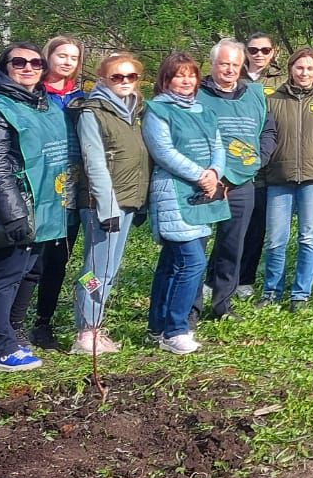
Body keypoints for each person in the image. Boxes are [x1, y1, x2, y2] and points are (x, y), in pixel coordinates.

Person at [0, 42, 70, 371]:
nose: (28, 68)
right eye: (18, 62)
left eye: (35, 63)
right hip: (15, 206)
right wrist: (13, 215)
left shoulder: (45, 104)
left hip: (46, 206)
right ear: (4, 67)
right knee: (5, 275)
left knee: (29, 273)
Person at [144, 51, 229, 353]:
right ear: (166, 79)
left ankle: (157, 326)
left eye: (190, 74)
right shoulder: (157, 110)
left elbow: (219, 145)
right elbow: (163, 152)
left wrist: (215, 172)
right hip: (173, 193)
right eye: (179, 75)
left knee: (170, 263)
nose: (186, 80)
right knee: (191, 261)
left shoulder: (204, 111)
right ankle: (176, 330)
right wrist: (200, 175)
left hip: (201, 194)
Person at [71, 52, 148, 354]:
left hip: (129, 199)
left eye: (131, 76)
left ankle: (96, 325)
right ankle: (85, 329)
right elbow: (95, 163)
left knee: (110, 268)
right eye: (117, 76)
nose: (125, 82)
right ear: (102, 79)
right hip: (102, 204)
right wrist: (106, 208)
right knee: (95, 269)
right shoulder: (93, 112)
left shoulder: (135, 110)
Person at [259, 48, 313, 311]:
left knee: (308, 238)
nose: (304, 73)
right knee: (276, 239)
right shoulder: (272, 99)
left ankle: (300, 294)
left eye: (310, 68)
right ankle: (271, 292)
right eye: (299, 68)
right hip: (280, 177)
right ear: (291, 69)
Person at [198, 38, 269, 320]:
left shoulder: (254, 94)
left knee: (232, 245)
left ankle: (221, 306)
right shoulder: (197, 94)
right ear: (212, 64)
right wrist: (213, 174)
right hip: (205, 181)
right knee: (197, 246)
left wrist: (257, 159)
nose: (229, 69)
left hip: (243, 181)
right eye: (223, 64)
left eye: (234, 65)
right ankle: (191, 308)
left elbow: (268, 131)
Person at [26, 35, 84, 351]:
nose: (66, 62)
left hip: (71, 191)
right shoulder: (32, 95)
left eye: (73, 58)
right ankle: (12, 321)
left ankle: (43, 323)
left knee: (58, 259)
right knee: (31, 260)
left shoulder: (82, 98)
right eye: (61, 55)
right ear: (48, 57)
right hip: (38, 187)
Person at [236, 32, 283, 296]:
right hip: (235, 160)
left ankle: (245, 279)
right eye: (254, 50)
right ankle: (217, 277)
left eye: (265, 50)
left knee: (257, 225)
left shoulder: (281, 80)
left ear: (273, 52)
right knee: (230, 226)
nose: (259, 55)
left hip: (270, 161)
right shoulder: (235, 77)